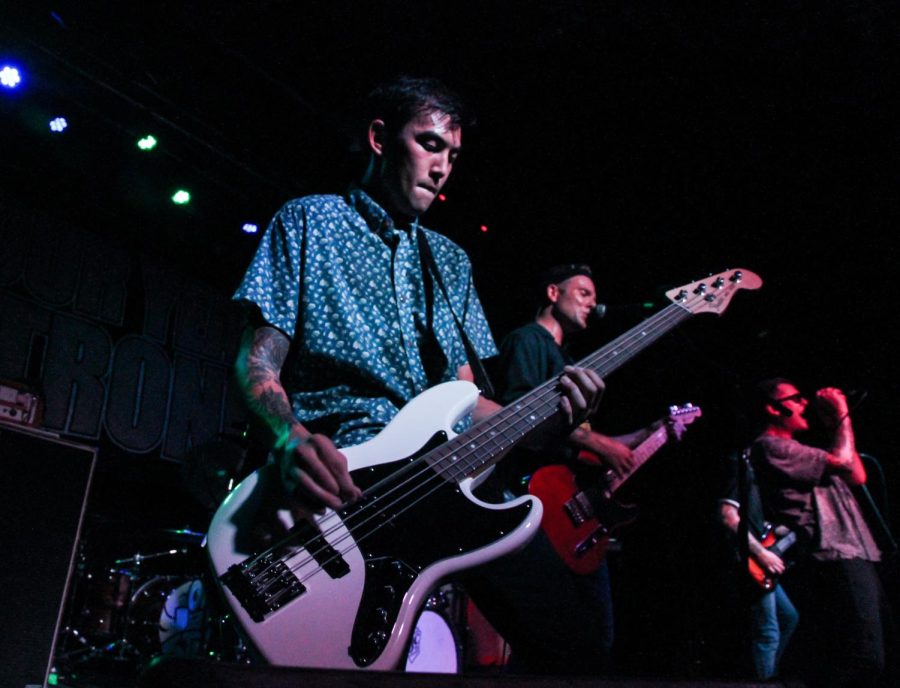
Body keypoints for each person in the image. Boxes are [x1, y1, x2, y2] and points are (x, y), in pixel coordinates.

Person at [230, 75, 604, 669]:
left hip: (435, 482)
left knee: (579, 643)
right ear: (380, 138)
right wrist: (287, 436)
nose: (443, 166)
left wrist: (553, 416)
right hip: (336, 485)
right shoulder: (308, 222)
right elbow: (258, 362)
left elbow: (467, 404)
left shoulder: (450, 262)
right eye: (430, 144)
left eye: (453, 155)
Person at [465, 264, 673, 674]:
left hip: (571, 506)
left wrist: (650, 434)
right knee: (567, 638)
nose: (593, 302)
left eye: (594, 295)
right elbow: (516, 414)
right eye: (583, 292)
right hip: (535, 497)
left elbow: (577, 439)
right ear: (553, 293)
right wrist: (597, 442)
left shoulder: (569, 357)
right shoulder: (528, 340)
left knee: (589, 639)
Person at [750, 378, 889, 687]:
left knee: (861, 652)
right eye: (795, 398)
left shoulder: (802, 449)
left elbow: (856, 473)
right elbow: (843, 462)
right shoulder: (771, 446)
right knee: (864, 657)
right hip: (833, 554)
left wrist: (837, 424)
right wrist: (841, 413)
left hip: (854, 551)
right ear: (774, 408)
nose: (804, 404)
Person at [717, 447, 799, 680]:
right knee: (768, 631)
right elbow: (727, 516)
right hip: (748, 559)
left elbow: (762, 526)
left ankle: (768, 674)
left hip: (757, 557)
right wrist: (762, 554)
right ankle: (763, 680)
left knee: (788, 618)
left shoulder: (753, 471)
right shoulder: (737, 465)